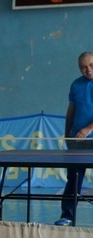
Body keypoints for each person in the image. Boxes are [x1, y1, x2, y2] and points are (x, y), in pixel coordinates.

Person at [56, 51, 93, 226]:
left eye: (91, 65)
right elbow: (71, 111)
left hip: (88, 135)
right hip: (78, 140)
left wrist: (89, 128)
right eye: (83, 67)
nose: (88, 69)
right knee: (74, 178)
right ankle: (67, 216)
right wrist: (67, 135)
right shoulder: (76, 85)